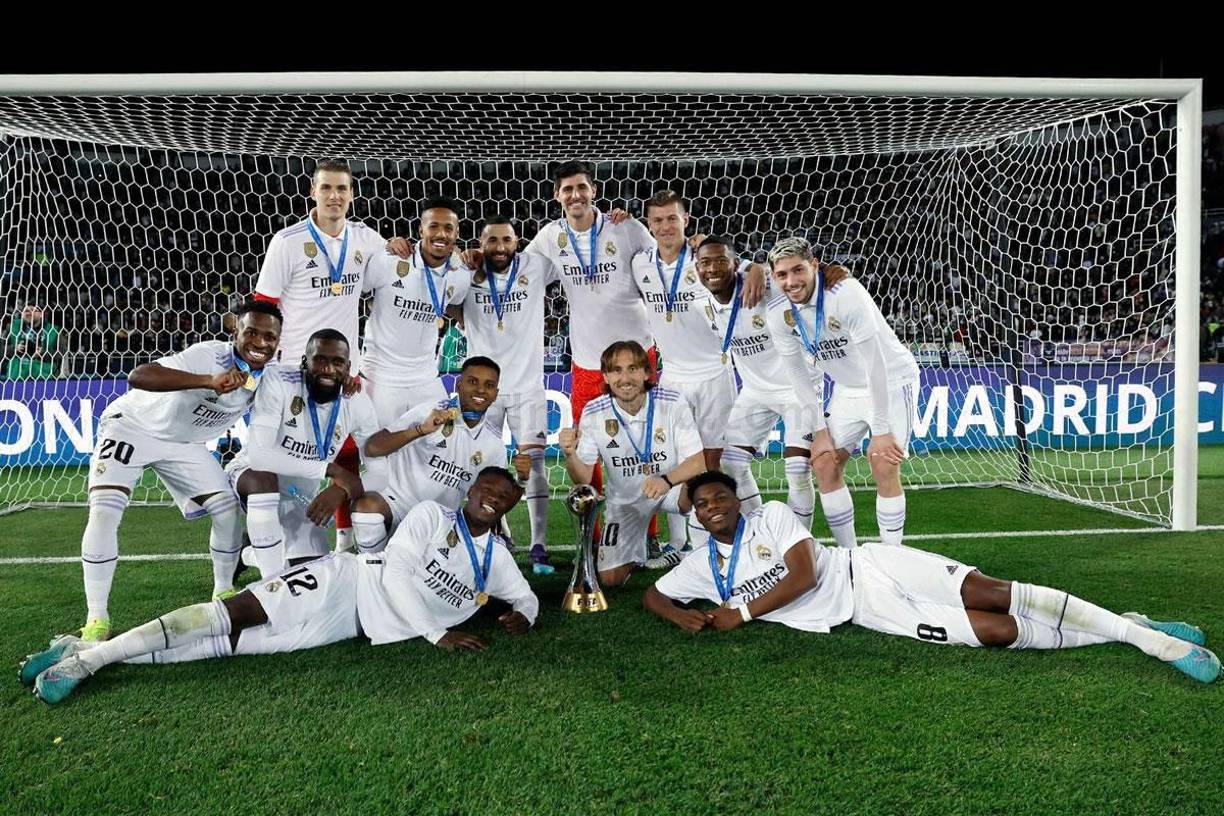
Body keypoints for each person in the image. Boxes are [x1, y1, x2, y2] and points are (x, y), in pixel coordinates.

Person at [644, 472, 1219, 685]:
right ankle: (1127, 625)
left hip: (866, 566)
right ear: (694, 514)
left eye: (722, 496)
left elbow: (803, 571)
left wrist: (738, 614)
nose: (715, 505)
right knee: (997, 631)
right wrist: (682, 614)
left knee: (992, 590)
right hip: (869, 611)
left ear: (736, 501)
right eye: (704, 502)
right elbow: (652, 594)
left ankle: (1156, 643)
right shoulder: (698, 564)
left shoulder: (769, 512)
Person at [22, 468, 540, 705]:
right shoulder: (431, 514)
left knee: (226, 649)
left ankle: (85, 648)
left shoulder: (495, 558)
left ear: (511, 506)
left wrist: (526, 614)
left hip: (348, 627)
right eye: (487, 489)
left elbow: (526, 595)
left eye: (503, 496)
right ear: (470, 490)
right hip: (344, 582)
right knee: (234, 615)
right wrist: (436, 633)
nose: (492, 499)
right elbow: (400, 574)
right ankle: (87, 664)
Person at [77, 301, 283, 642]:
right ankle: (96, 619)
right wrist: (207, 381)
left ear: (278, 341)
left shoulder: (269, 377)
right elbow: (138, 375)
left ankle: (223, 592)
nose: (260, 342)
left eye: (269, 336)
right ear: (235, 332)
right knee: (104, 511)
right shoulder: (208, 356)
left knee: (227, 511)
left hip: (184, 446)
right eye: (251, 332)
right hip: (131, 427)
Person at [252, 158, 409, 549]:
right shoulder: (286, 242)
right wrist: (262, 369)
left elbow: (393, 260)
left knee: (350, 450)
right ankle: (258, 541)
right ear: (313, 192)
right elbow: (264, 306)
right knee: (290, 466)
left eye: (341, 189)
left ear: (352, 195)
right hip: (293, 372)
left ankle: (344, 538)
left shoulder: (365, 239)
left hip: (341, 373)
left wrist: (397, 246)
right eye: (326, 188)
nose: (334, 196)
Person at [765, 236, 918, 548]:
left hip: (890, 381)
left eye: (798, 270)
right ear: (773, 277)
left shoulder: (845, 293)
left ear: (815, 266)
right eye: (782, 275)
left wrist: (881, 428)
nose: (791, 281)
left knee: (882, 461)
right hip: (847, 389)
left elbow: (876, 364)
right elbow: (798, 375)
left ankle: (892, 559)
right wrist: (818, 430)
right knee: (823, 461)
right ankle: (850, 556)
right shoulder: (778, 313)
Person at [227, 329, 385, 578]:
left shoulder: (357, 403)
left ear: (348, 367)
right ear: (305, 361)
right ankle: (271, 586)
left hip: (300, 498)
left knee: (313, 574)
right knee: (263, 480)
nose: (328, 369)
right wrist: (330, 470)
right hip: (250, 478)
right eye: (320, 360)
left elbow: (381, 473)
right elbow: (259, 456)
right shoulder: (279, 380)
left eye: (337, 362)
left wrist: (339, 489)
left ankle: (247, 552)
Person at [695, 236, 826, 526]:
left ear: (735, 264)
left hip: (797, 388)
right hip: (755, 391)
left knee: (797, 470)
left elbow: (794, 274)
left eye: (721, 261)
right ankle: (759, 531)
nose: (712, 268)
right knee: (730, 464)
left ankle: (797, 543)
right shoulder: (700, 299)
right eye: (705, 262)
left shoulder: (762, 286)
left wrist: (757, 267)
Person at [452, 216, 558, 572]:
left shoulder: (536, 264)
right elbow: (446, 300)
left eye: (507, 240)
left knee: (536, 464)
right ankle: (499, 530)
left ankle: (539, 545)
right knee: (482, 463)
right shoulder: (466, 271)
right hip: (485, 390)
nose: (500, 247)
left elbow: (572, 250)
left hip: (528, 386)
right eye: (492, 240)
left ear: (517, 242)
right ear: (481, 244)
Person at [558, 341, 706, 585]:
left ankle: (698, 551)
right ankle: (638, 552)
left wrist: (667, 480)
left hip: (673, 489)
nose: (624, 377)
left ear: (647, 372)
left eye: (632, 368)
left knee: (704, 483)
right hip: (625, 501)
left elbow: (698, 461)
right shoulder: (594, 411)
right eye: (616, 370)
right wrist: (569, 454)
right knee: (610, 579)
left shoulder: (672, 402)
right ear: (605, 376)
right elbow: (583, 479)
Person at [352, 357, 527, 554]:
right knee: (367, 510)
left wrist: (522, 481)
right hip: (395, 504)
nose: (480, 390)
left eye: (489, 385)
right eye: (472, 382)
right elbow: (372, 448)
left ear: (495, 394)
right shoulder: (430, 411)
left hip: (438, 521)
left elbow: (497, 501)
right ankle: (369, 565)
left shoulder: (494, 444)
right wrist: (420, 430)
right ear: (459, 385)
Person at [360, 195, 471, 426]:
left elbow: (453, 304)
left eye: (448, 228)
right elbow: (357, 292)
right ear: (421, 230)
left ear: (457, 233)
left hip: (425, 378)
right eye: (433, 226)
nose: (441, 234)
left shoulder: (460, 276)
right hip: (381, 379)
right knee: (381, 453)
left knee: (445, 444)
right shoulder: (390, 260)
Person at [5, 304, 60, 380]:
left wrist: (42, 353)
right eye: (26, 311)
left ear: (41, 314)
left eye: (32, 310)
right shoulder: (12, 327)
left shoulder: (53, 331)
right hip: (17, 370)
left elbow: (62, 355)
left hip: (42, 370)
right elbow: (2, 349)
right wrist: (14, 348)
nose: (28, 313)